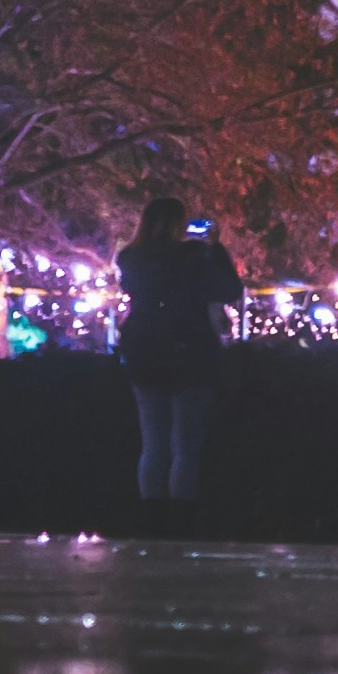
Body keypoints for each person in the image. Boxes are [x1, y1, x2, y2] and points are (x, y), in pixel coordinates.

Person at [114, 196, 243, 528]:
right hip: (190, 350)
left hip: (144, 349)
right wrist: (214, 249)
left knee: (152, 440)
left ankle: (151, 516)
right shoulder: (192, 257)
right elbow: (228, 290)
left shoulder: (130, 258)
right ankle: (181, 518)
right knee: (186, 442)